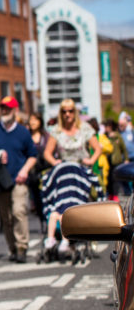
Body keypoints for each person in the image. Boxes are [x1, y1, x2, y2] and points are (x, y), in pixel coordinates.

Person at [0, 96, 37, 263]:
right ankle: (12, 247)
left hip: (18, 179)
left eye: (8, 108)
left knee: (19, 212)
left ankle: (22, 246)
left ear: (15, 110)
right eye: (2, 108)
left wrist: (25, 170)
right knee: (6, 217)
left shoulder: (23, 132)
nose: (4, 111)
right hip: (0, 182)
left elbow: (32, 155)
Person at [42, 99, 102, 254]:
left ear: (74, 112)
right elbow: (47, 153)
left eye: (70, 111)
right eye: (64, 111)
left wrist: (90, 160)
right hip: (63, 171)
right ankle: (56, 237)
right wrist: (55, 162)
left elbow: (97, 149)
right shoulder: (56, 130)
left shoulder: (85, 128)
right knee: (56, 198)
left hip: (80, 171)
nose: (67, 114)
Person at [26, 112, 52, 232]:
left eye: (35, 120)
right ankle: (42, 220)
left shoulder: (46, 137)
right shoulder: (26, 136)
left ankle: (48, 221)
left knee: (46, 198)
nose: (32, 122)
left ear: (40, 121)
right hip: (32, 173)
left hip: (45, 172)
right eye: (31, 120)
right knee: (36, 199)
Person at [103, 119, 129, 198]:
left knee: (116, 180)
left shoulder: (117, 136)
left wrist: (126, 159)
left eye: (107, 126)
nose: (105, 128)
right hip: (108, 162)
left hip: (117, 161)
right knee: (109, 180)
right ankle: (110, 196)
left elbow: (123, 148)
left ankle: (116, 196)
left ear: (110, 127)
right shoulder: (105, 136)